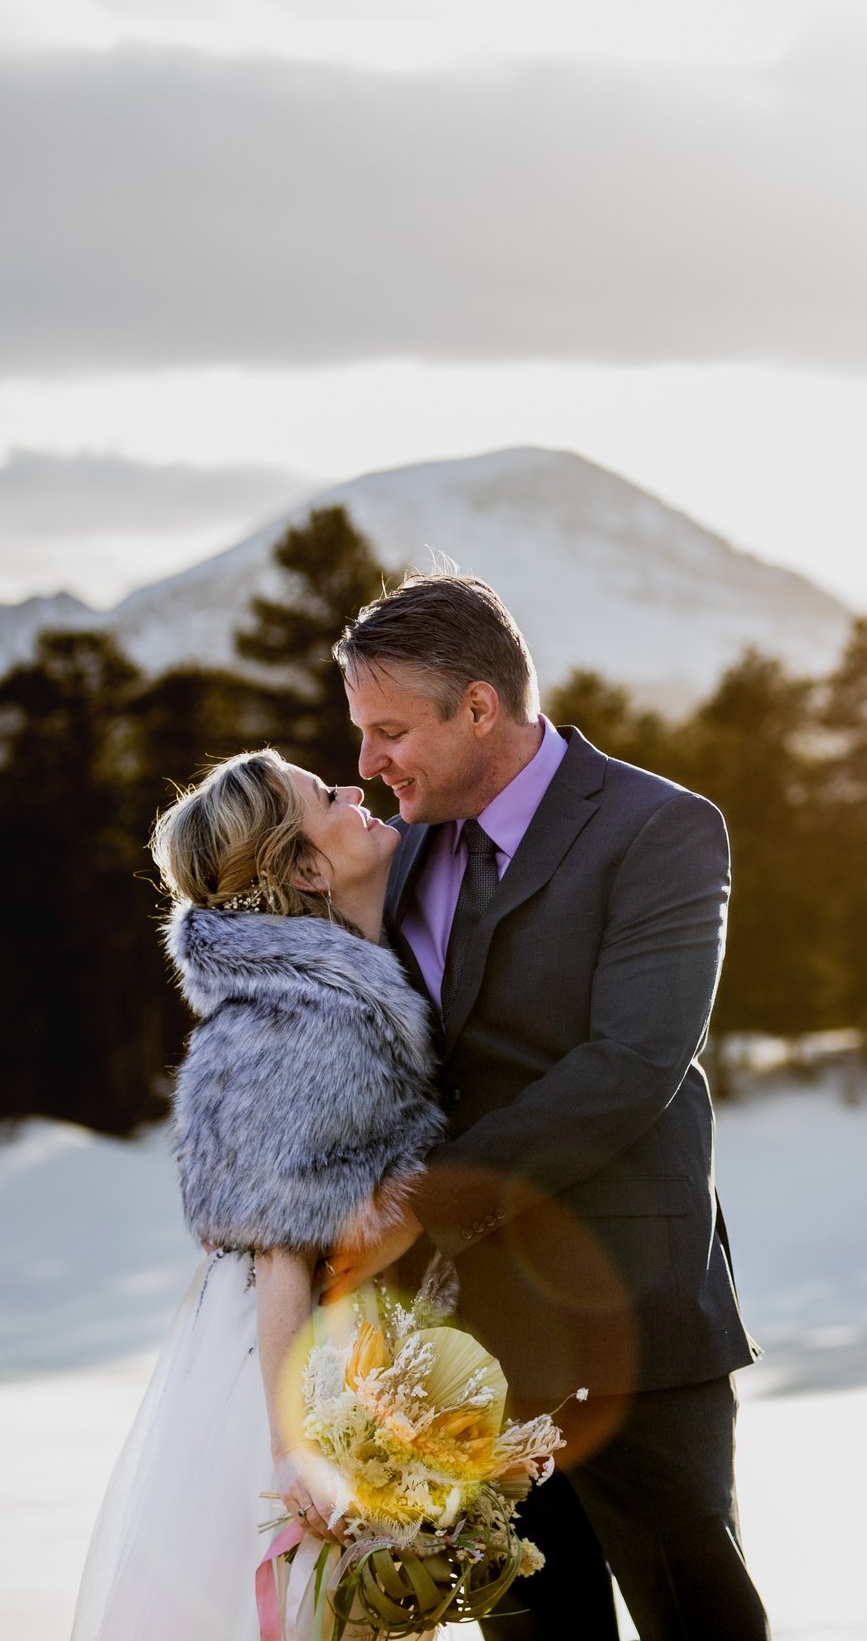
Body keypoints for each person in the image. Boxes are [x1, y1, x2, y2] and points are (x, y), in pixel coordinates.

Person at [317, 572, 769, 1641]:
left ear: (479, 707)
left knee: (695, 1613)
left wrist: (419, 1198)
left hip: (633, 1314)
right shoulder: (407, 842)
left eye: (389, 730)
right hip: (464, 1340)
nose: (369, 764)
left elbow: (632, 1061)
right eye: (361, 732)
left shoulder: (660, 828)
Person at [72, 748, 443, 1640]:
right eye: (327, 796)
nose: (357, 792)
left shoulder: (322, 990)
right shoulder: (310, 1015)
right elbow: (283, 1251)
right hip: (292, 1374)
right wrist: (295, 1447)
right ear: (307, 868)